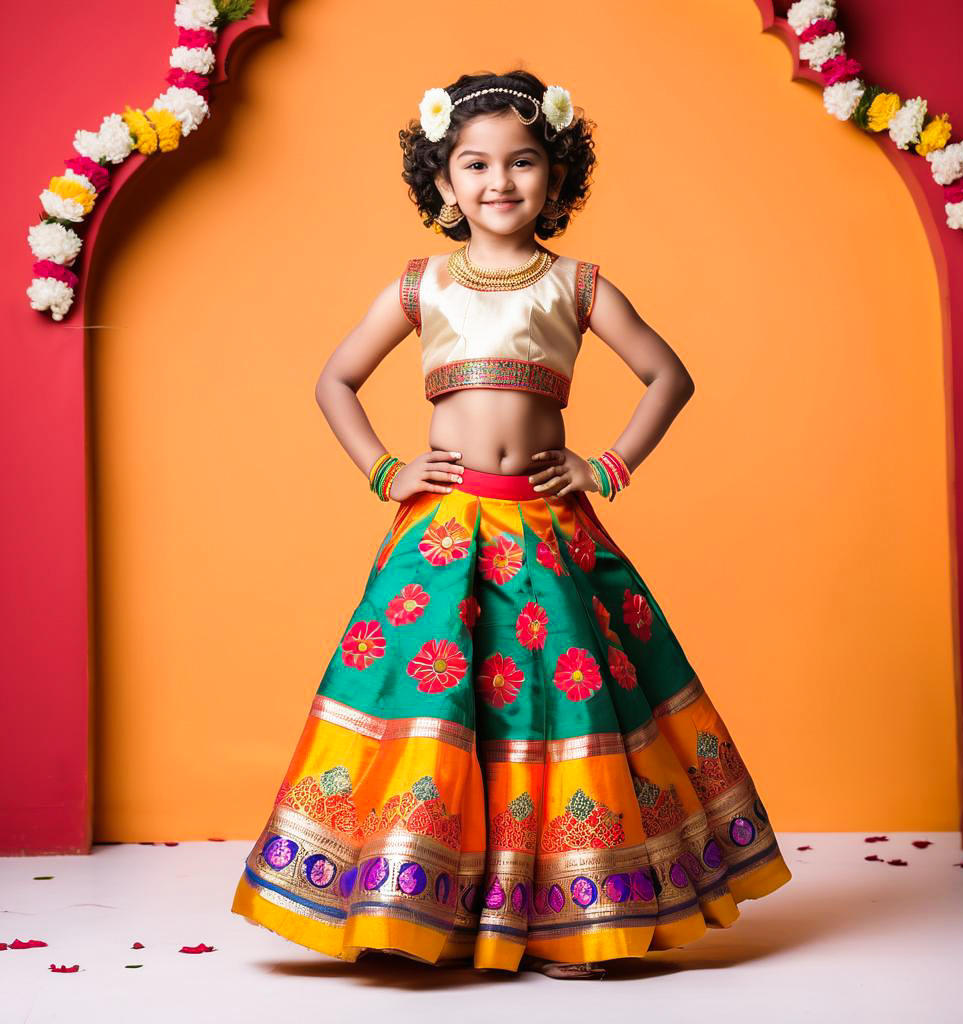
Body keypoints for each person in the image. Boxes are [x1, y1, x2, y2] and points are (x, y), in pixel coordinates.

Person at [230, 68, 792, 980]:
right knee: (431, 711)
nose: (500, 181)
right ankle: (416, 911)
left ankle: (577, 919)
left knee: (557, 708)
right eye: (476, 164)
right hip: (443, 534)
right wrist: (385, 469)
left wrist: (606, 467)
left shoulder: (576, 285)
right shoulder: (421, 287)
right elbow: (335, 379)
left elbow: (669, 376)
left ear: (556, 176)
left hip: (547, 532)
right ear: (443, 183)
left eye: (523, 162)